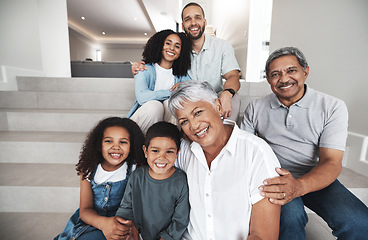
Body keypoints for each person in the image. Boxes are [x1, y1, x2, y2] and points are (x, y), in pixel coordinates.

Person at [241, 46, 368, 239]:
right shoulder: (255, 108)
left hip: (314, 174)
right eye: (275, 74)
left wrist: (299, 186)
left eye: (291, 70)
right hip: (273, 176)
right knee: (289, 221)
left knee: (360, 223)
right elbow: (245, 153)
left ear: (305, 71)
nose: (283, 79)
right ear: (268, 80)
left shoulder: (333, 107)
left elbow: (331, 162)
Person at [168, 80, 281, 240]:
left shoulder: (256, 151)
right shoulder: (184, 150)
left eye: (198, 112)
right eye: (184, 121)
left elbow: (264, 236)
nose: (194, 126)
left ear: (219, 107)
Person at [133, 2, 241, 122]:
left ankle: (226, 135)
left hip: (213, 98)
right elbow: (161, 64)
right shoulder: (178, 51)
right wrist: (139, 67)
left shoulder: (222, 46)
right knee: (172, 103)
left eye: (197, 18)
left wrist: (227, 92)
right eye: (188, 19)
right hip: (188, 102)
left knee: (234, 97)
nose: (193, 22)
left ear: (205, 22)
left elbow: (233, 76)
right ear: (183, 26)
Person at [54, 117, 145, 240]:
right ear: (98, 144)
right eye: (109, 141)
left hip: (122, 223)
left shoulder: (134, 168)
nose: (116, 147)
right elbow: (85, 210)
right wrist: (104, 224)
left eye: (123, 142)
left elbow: (139, 205)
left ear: (132, 145)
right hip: (93, 221)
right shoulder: (89, 170)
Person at [116, 121, 190, 240]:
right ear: (145, 152)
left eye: (169, 151)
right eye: (155, 151)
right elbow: (126, 208)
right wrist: (125, 229)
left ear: (177, 153)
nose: (162, 157)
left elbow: (180, 220)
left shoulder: (181, 181)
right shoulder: (137, 176)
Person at [127, 29, 191, 134]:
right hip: (141, 123)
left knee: (170, 104)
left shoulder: (181, 75)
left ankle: (167, 144)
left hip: (163, 129)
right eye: (168, 43)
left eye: (177, 46)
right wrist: (173, 92)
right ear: (160, 45)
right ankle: (139, 147)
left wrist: (185, 86)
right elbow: (142, 98)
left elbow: (193, 89)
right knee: (155, 106)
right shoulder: (143, 69)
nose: (172, 48)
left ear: (181, 52)